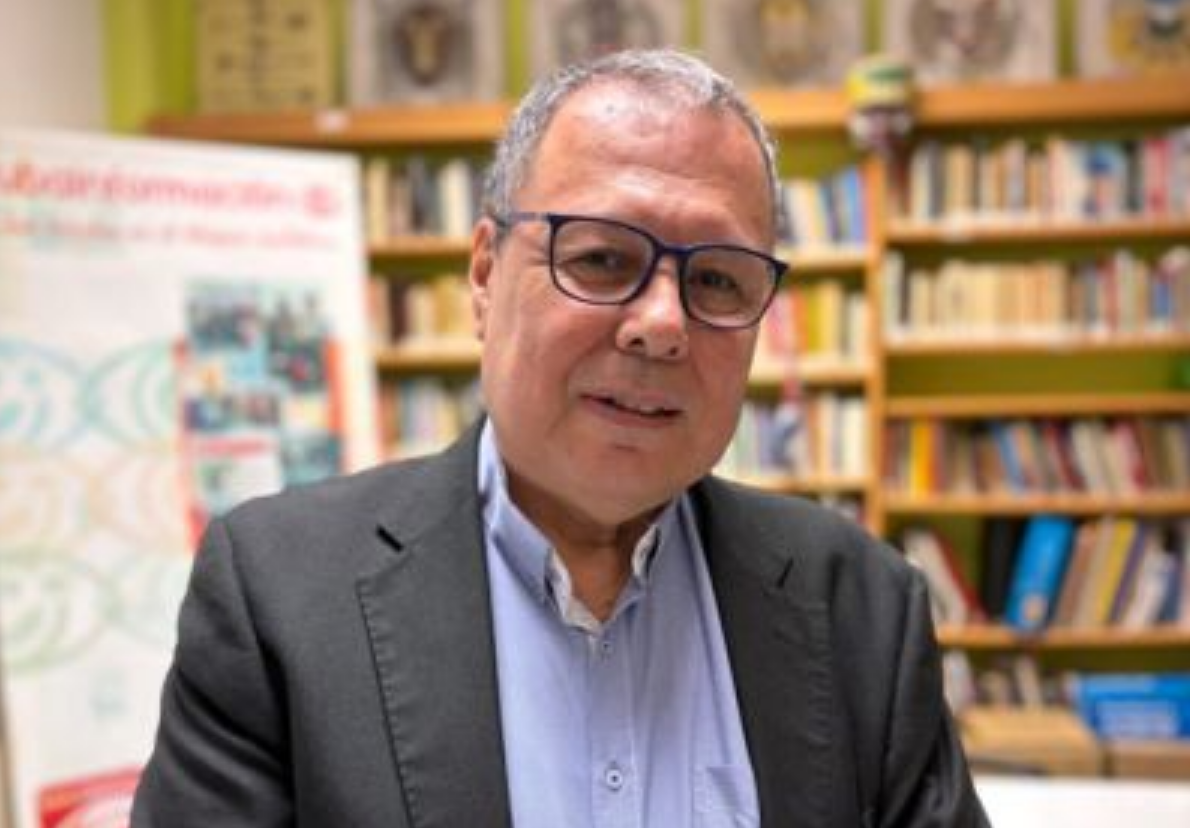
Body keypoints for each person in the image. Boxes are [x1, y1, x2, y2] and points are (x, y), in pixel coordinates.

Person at [132, 48, 989, 827]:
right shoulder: (279, 597)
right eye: (603, 260)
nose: (663, 325)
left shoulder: (864, 610)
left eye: (718, 280)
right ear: (484, 275)